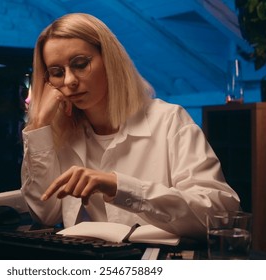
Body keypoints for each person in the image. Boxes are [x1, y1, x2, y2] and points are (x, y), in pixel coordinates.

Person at [20, 13, 240, 239]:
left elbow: (219, 213)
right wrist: (39, 123)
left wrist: (119, 187)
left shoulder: (169, 120)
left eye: (80, 64)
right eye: (57, 73)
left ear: (109, 60)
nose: (69, 81)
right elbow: (44, 215)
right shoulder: (61, 135)